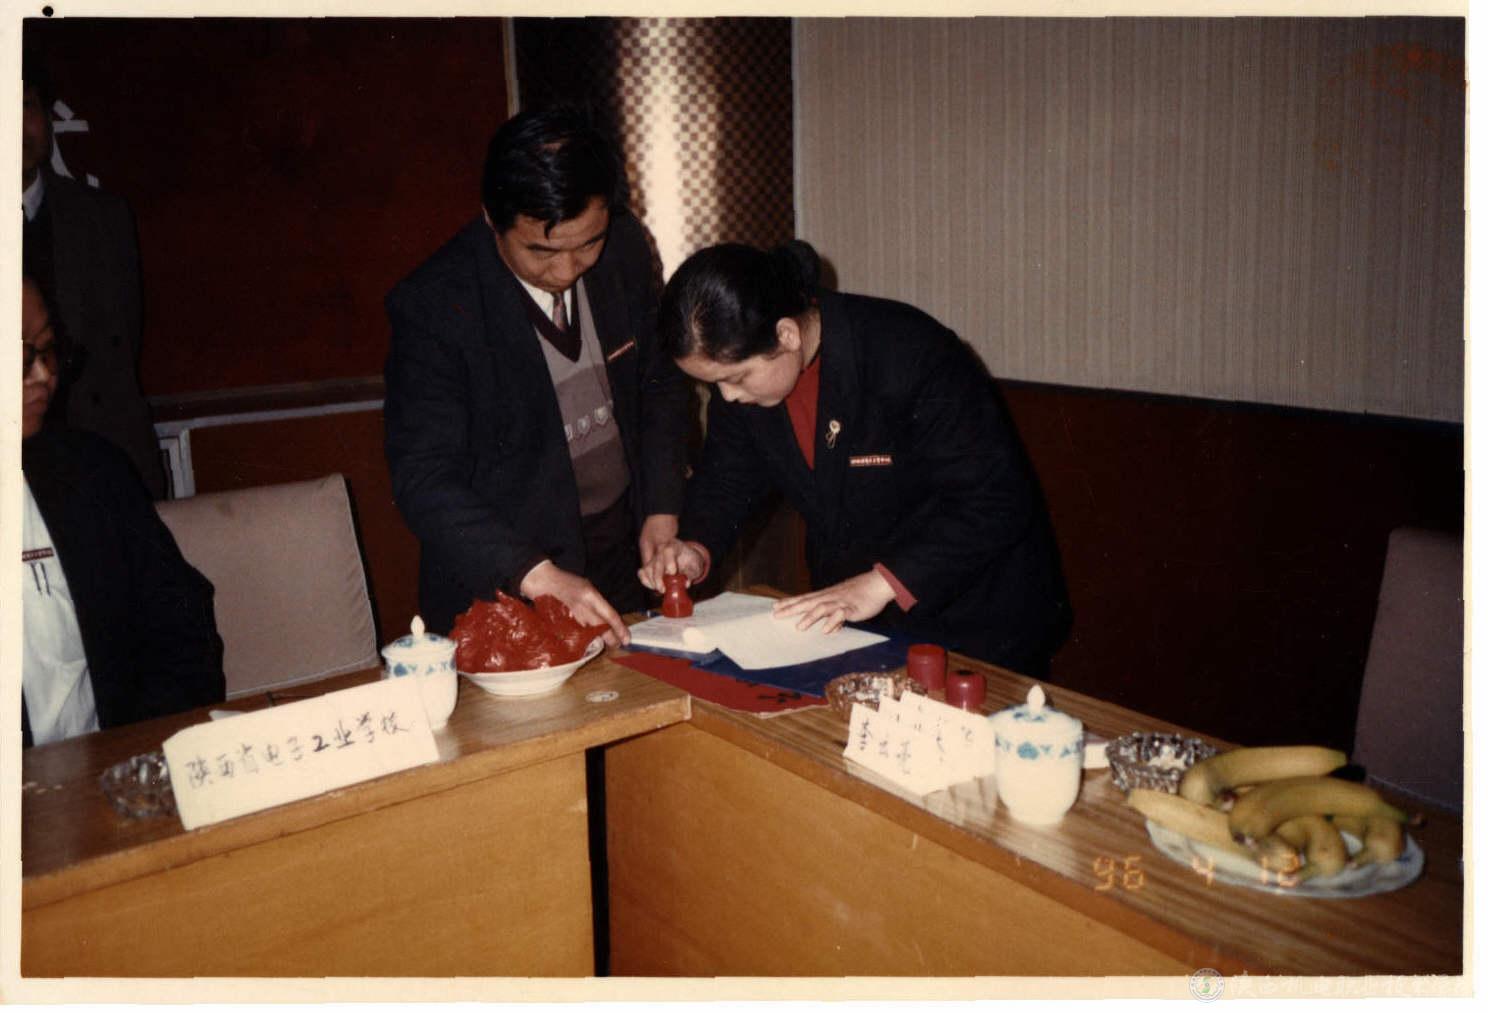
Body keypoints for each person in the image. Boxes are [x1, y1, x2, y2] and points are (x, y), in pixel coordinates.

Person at [639, 241, 1072, 676]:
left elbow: (996, 499)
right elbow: (726, 478)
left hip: (975, 618)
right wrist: (695, 546)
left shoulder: (909, 351)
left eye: (736, 378)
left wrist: (883, 583)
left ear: (787, 335)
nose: (728, 396)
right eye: (715, 384)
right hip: (860, 619)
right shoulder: (744, 382)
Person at [384, 107, 690, 644]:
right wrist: (537, 575)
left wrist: (662, 510)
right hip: (509, 583)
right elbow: (425, 478)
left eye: (587, 244)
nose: (566, 270)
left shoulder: (623, 248)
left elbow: (659, 385)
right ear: (491, 219)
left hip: (620, 555)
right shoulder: (436, 305)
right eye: (541, 251)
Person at [20, 277, 224, 747]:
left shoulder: (92, 472)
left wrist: (135, 756)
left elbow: (183, 631)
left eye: (48, 350)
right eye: (19, 356)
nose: (44, 375)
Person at [23, 55, 166, 499]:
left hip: (99, 461)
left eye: (25, 106)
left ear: (47, 117)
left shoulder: (102, 218)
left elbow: (119, 357)